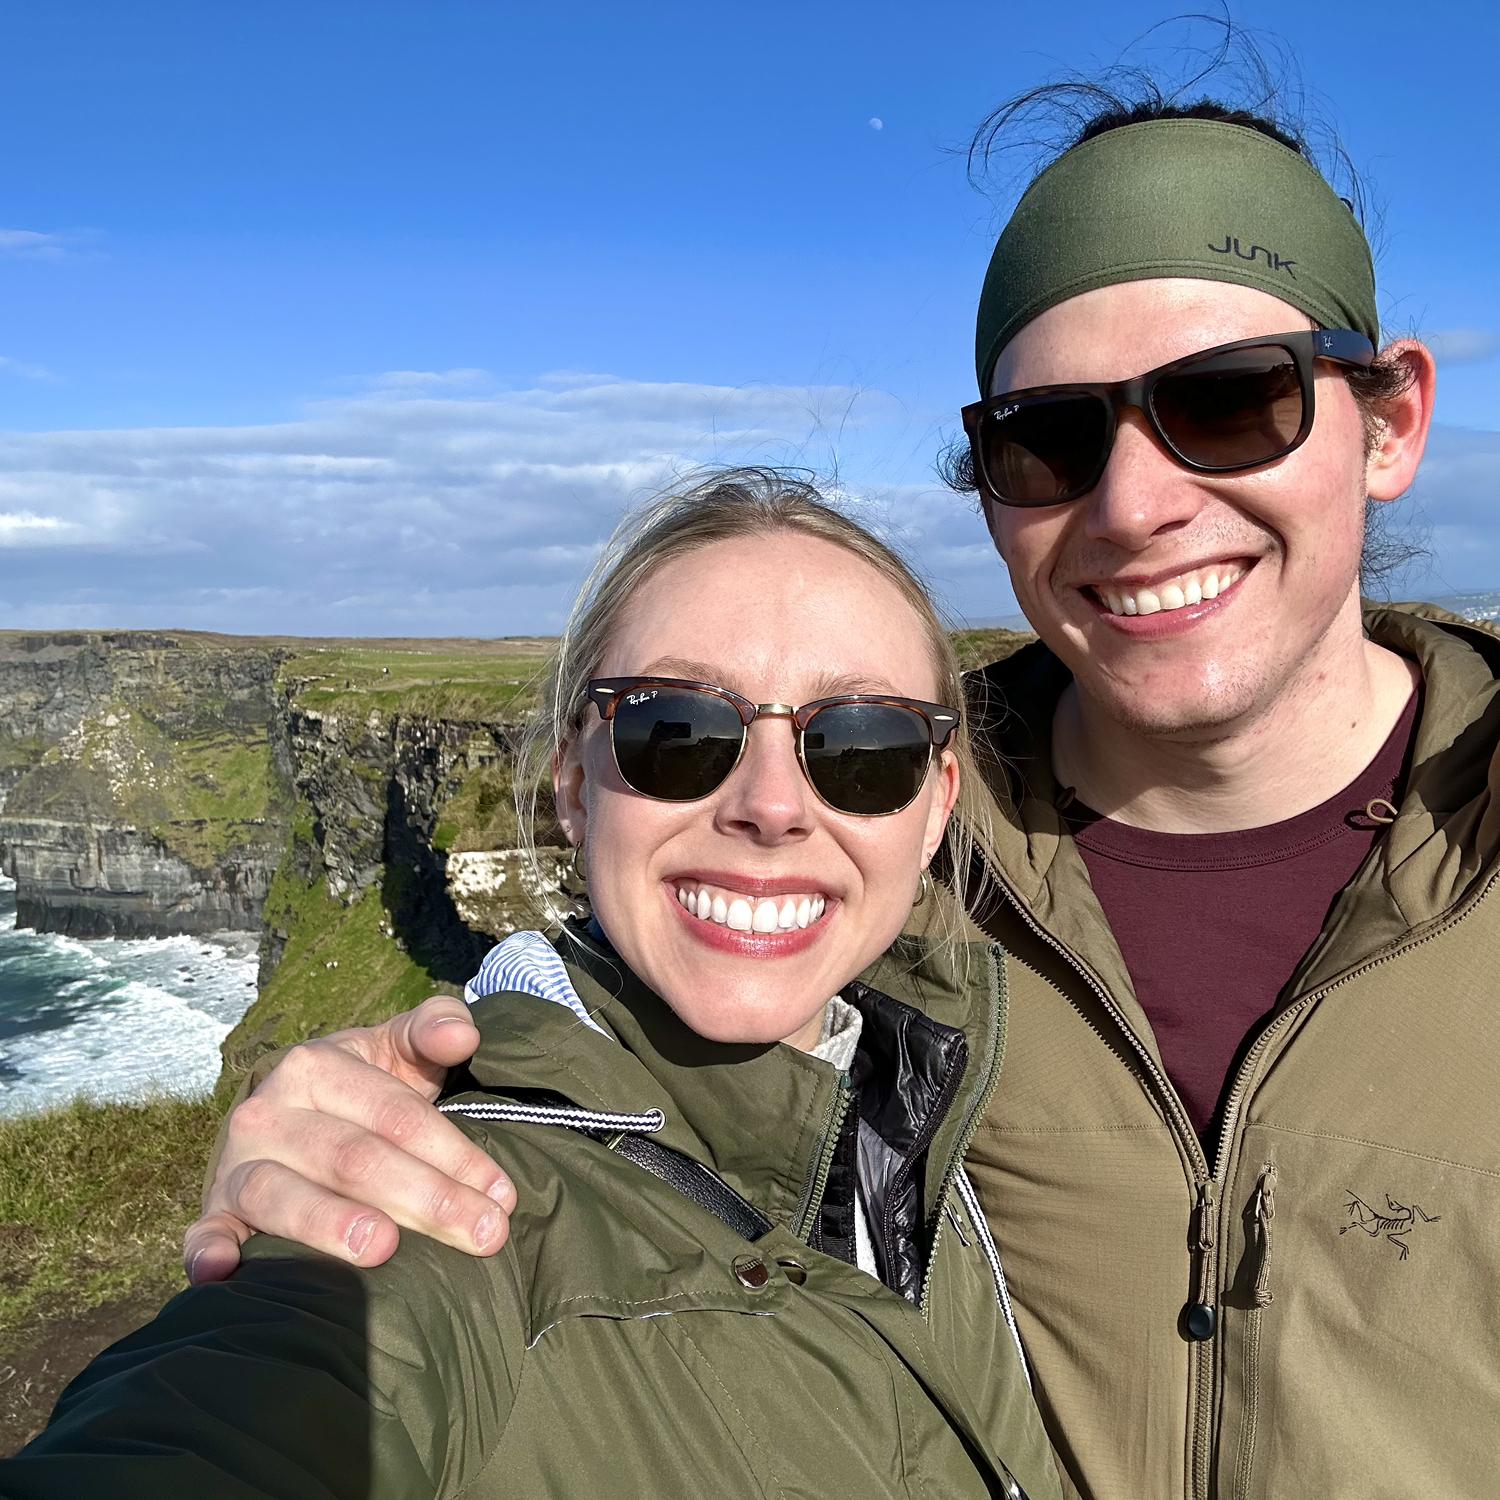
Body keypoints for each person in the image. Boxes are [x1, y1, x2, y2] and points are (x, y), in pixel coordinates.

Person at [178, 83, 1500, 1500]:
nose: (1134, 504)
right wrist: (328, 1172)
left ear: (1390, 422)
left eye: (1231, 402)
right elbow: (582, 1128)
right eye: (1051, 438)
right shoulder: (865, 886)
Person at [2, 472, 1061, 1500]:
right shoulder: (452, 1207)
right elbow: (250, 1406)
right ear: (572, 785)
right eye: (675, 732)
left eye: (865, 744)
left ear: (937, 803)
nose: (771, 805)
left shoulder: (939, 1098)